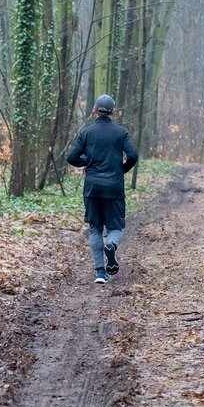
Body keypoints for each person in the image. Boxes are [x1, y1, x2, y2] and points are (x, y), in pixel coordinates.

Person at [67, 95, 139, 284]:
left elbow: (72, 158)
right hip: (114, 186)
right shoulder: (121, 133)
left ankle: (100, 273)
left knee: (95, 228)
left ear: (94, 110)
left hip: (92, 187)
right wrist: (120, 170)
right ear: (113, 112)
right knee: (115, 226)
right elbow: (133, 155)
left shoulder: (86, 133)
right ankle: (111, 244)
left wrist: (87, 162)